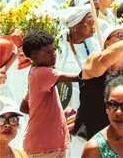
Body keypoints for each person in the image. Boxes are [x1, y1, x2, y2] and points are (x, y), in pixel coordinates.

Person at [21, 30, 79, 158]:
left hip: (46, 145)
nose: (54, 55)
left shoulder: (34, 74)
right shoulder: (43, 73)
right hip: (45, 149)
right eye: (48, 52)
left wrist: (56, 116)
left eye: (54, 50)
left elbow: (24, 107)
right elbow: (78, 77)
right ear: (34, 56)